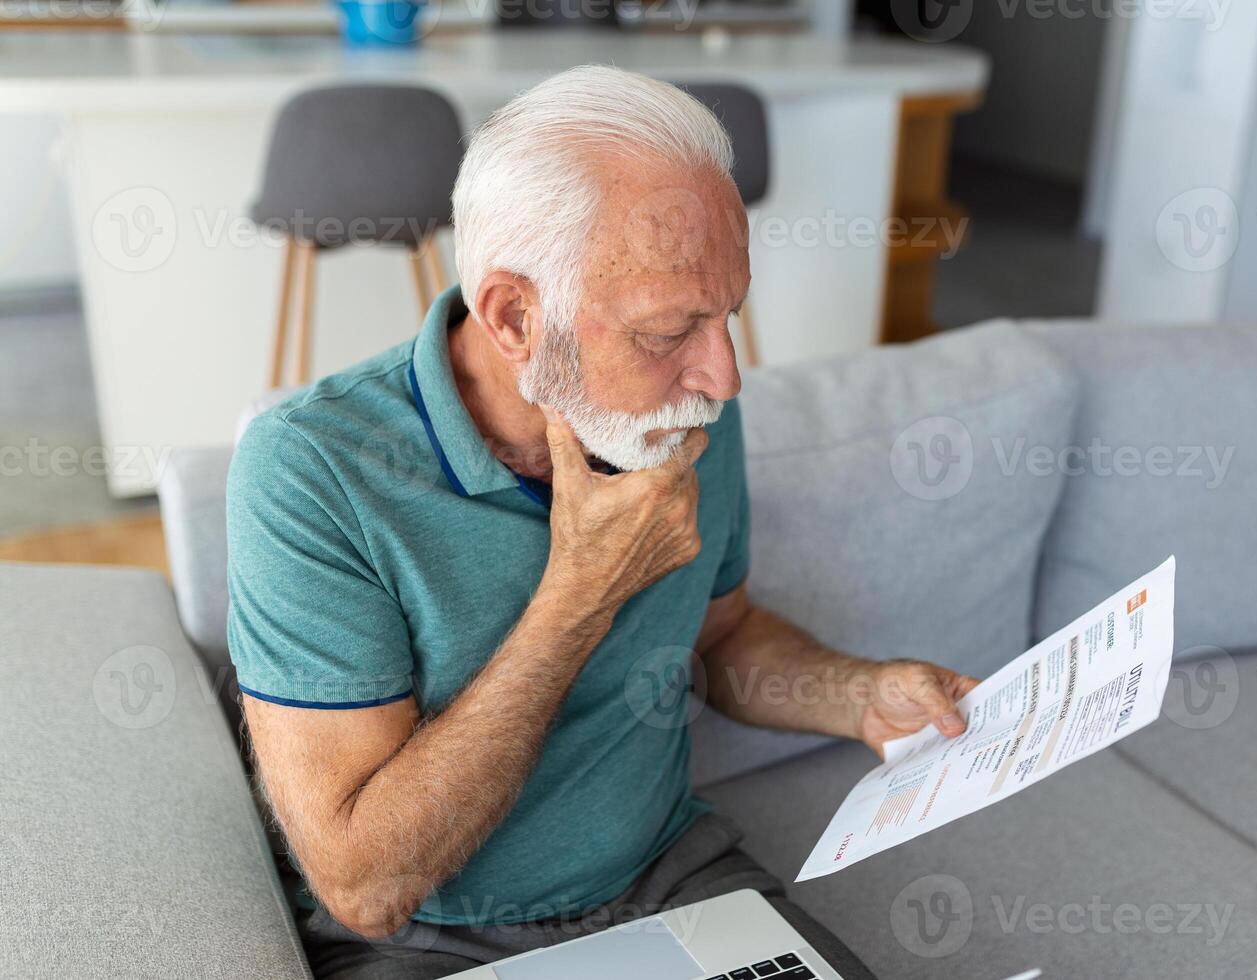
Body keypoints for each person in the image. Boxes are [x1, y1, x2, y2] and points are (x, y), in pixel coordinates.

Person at [227, 64, 978, 980]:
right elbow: (368, 887)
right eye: (667, 331)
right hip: (429, 942)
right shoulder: (312, 472)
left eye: (727, 314)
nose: (724, 377)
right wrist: (581, 594)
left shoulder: (684, 410)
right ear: (512, 315)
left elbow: (723, 634)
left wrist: (861, 695)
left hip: (672, 881)